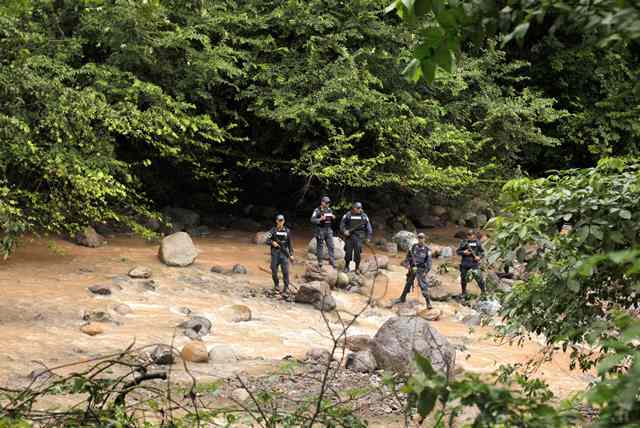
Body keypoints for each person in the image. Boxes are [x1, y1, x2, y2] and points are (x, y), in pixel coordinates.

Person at [396, 232, 433, 309]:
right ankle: (402, 298)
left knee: (423, 286)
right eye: (419, 238)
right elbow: (408, 256)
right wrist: (407, 264)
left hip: (421, 269)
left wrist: (426, 272)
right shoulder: (414, 247)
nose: (420, 240)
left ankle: (428, 303)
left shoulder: (427, 250)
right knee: (408, 283)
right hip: (413, 268)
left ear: (424, 239)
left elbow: (429, 262)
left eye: (422, 238)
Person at [340, 202, 372, 273]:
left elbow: (368, 227)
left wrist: (369, 237)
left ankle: (357, 268)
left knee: (357, 252)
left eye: (360, 208)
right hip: (350, 236)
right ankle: (346, 266)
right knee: (348, 252)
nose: (359, 209)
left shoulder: (364, 216)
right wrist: (344, 231)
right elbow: (342, 225)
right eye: (358, 208)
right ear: (354, 208)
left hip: (359, 236)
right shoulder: (348, 215)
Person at [266, 214, 294, 293]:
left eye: (282, 220)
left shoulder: (287, 231)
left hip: (284, 253)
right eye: (279, 220)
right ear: (276, 221)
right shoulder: (273, 230)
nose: (281, 222)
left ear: (284, 221)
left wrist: (291, 254)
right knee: (274, 270)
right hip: (275, 253)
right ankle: (276, 285)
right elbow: (266, 239)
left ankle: (286, 287)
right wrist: (272, 242)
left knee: (285, 271)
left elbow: (290, 243)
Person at [456, 229, 486, 297]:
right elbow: (458, 251)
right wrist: (464, 252)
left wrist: (479, 257)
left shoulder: (478, 242)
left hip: (474, 263)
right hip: (465, 263)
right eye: (468, 235)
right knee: (463, 278)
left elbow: (482, 252)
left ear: (474, 235)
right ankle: (463, 292)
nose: (469, 236)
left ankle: (483, 292)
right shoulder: (464, 242)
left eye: (471, 235)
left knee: (479, 277)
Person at [310, 196, 335, 268]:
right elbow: (312, 219)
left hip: (328, 229)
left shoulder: (329, 210)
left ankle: (332, 261)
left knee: (331, 246)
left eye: (329, 203)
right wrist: (320, 219)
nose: (328, 204)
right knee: (320, 246)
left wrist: (333, 217)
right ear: (322, 202)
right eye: (326, 203)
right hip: (320, 230)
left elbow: (330, 219)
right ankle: (320, 262)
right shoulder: (317, 210)